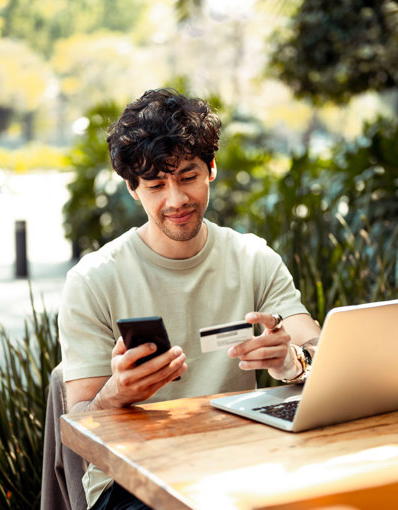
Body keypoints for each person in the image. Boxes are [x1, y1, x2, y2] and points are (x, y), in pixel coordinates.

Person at [58, 88, 321, 510]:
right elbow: (81, 419)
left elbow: (318, 351)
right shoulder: (93, 279)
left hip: (241, 460)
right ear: (132, 188)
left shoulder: (253, 258)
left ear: (211, 170)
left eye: (187, 177)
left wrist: (293, 362)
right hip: (131, 482)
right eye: (156, 184)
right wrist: (117, 392)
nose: (176, 200)